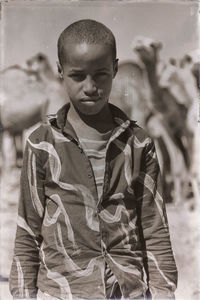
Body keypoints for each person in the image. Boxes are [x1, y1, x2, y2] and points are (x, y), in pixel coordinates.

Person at [9, 19, 177, 300]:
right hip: (61, 292)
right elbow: (28, 229)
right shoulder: (41, 144)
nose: (90, 87)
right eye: (77, 75)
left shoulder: (138, 143)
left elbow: (155, 226)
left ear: (114, 69)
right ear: (61, 72)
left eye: (100, 74)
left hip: (127, 291)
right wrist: (23, 294)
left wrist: (164, 292)